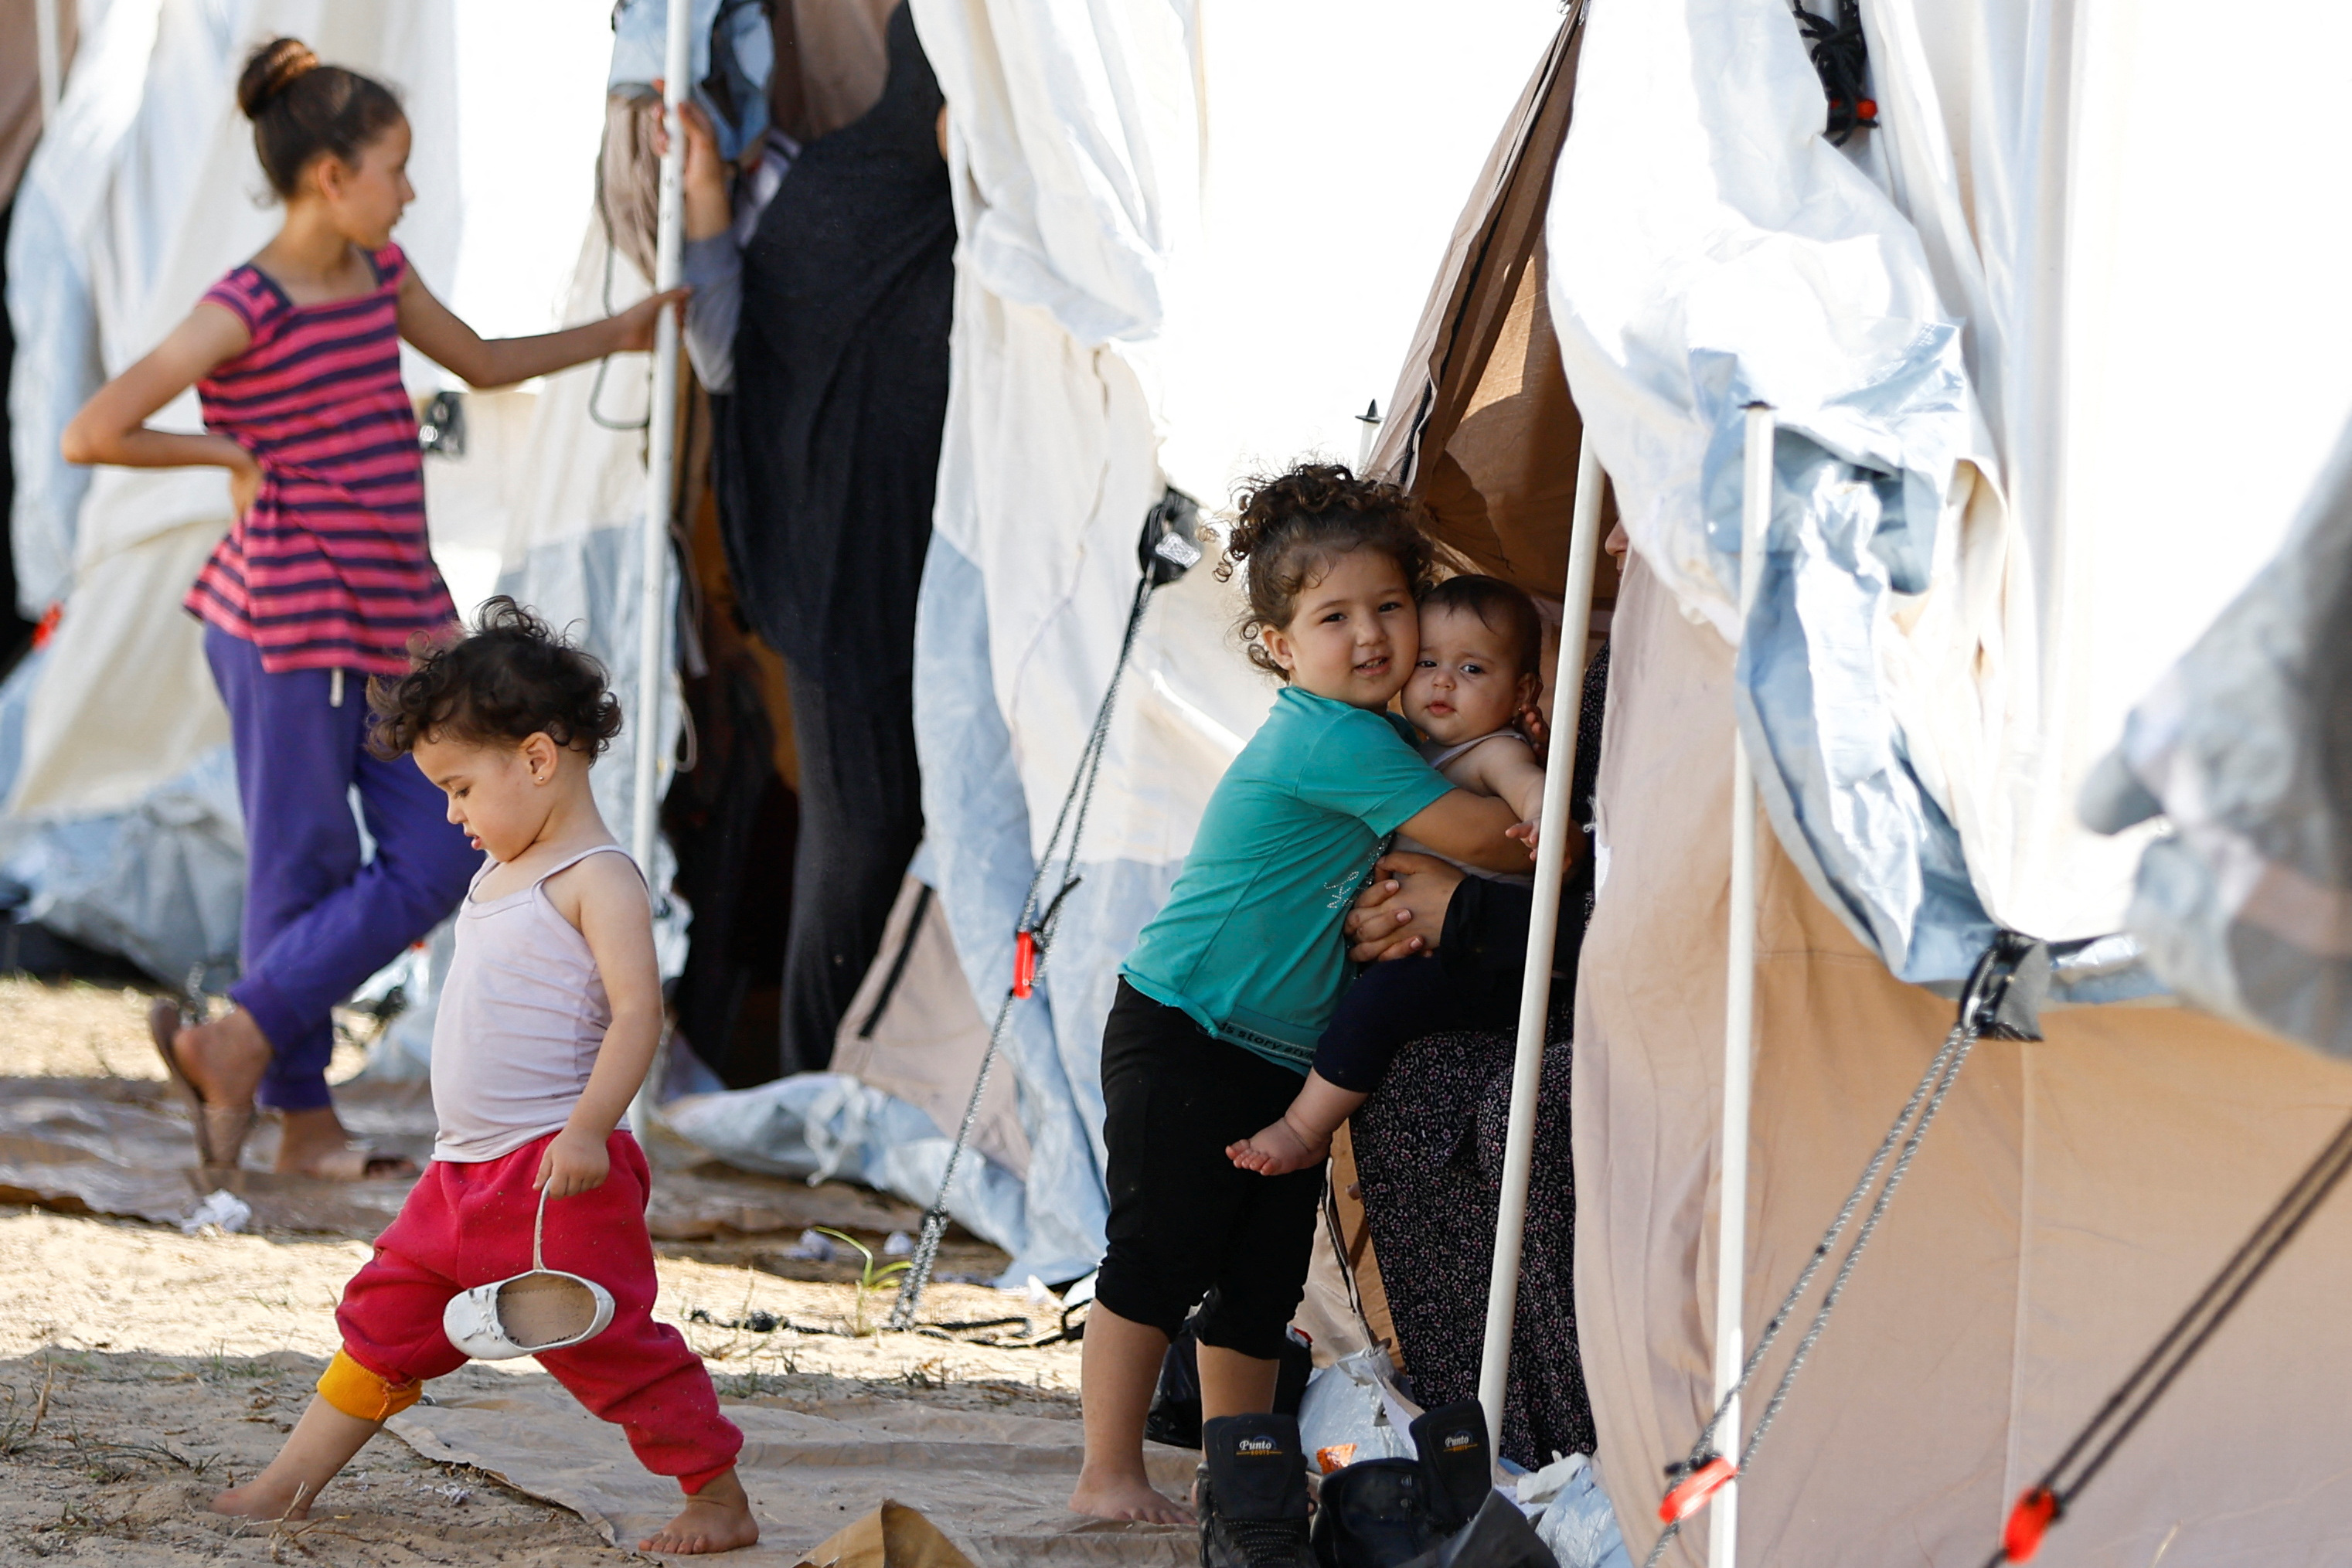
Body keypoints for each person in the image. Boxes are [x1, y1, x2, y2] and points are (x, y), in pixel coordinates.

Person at [60, 38, 683, 1179]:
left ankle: (237, 1036)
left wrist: (617, 330)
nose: (410, 191)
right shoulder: (241, 304)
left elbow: (484, 363)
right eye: (395, 169)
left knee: (438, 850)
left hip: (397, 616)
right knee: (293, 869)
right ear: (330, 178)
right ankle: (301, 1120)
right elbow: (93, 429)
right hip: (282, 625)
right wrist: (224, 451)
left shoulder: (380, 277)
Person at [206, 600, 757, 1556]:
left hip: (551, 1174)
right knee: (381, 1321)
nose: (451, 814)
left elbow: (637, 1015)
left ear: (538, 759)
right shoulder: (499, 870)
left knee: (606, 1344)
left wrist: (590, 1128)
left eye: (459, 789)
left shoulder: (598, 876)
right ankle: (286, 1483)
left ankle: (715, 1493)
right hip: (459, 1178)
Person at [1070, 464, 1534, 1533]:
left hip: (1275, 1052)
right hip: (1185, 1024)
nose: (1369, 636)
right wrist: (1509, 768)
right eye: (1332, 617)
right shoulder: (1335, 739)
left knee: (1259, 1283)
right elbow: (1472, 841)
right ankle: (1105, 1471)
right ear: (1279, 645)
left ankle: (1237, 1476)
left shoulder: (1379, 739)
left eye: (1388, 607)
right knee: (1154, 1254)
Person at [663, 0, 952, 1079]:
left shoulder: (990, 223)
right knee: (863, 830)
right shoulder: (831, 193)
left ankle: (885, 1073)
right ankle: (815, 1072)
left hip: (952, 572)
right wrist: (699, 197)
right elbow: (731, 357)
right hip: (834, 572)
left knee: (935, 821)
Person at [1226, 573, 1561, 1178]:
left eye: (1472, 670)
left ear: (1522, 691)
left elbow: (1527, 784)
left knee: (1379, 1004)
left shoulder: (1492, 749)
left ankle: (1305, 1127)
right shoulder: (1408, 747)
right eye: (1427, 661)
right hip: (1436, 945)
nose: (1441, 680)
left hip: (1485, 961)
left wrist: (1542, 817)